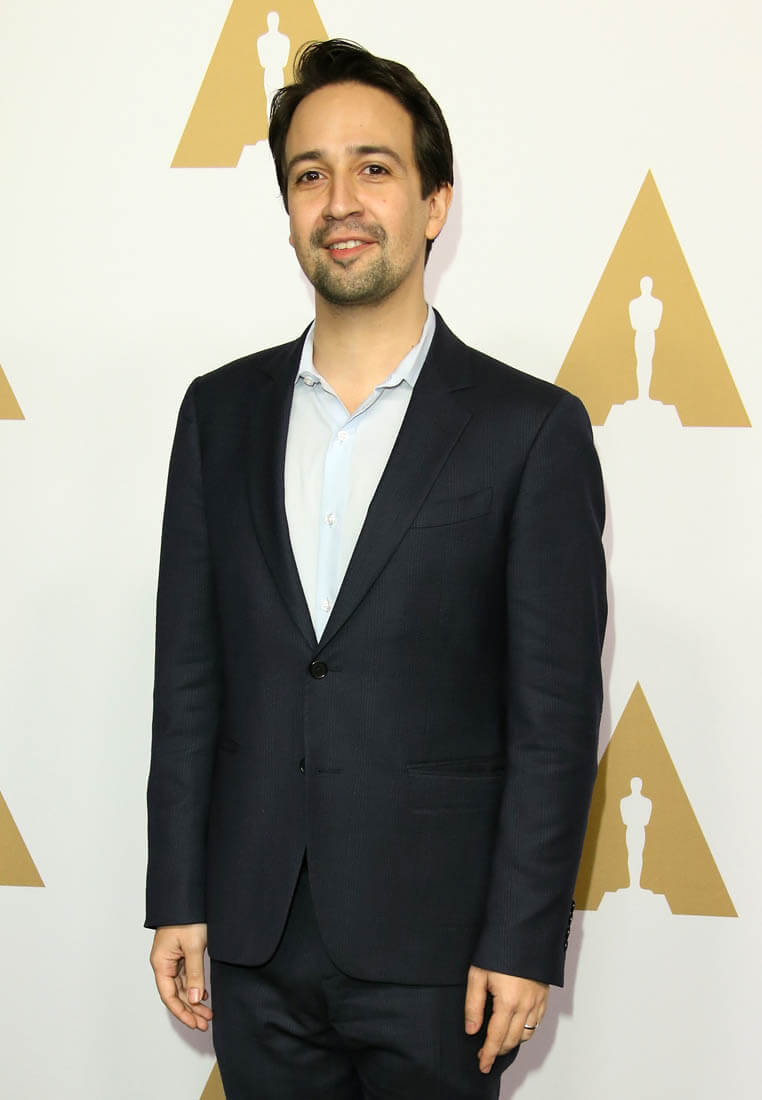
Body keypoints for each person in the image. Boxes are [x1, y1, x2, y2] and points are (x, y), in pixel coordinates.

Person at [146, 38, 607, 1100]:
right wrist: (178, 893)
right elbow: (189, 679)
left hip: (444, 953)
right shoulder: (218, 414)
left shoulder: (530, 429)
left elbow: (553, 714)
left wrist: (523, 935)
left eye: (374, 168)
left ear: (435, 203)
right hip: (255, 938)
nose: (340, 201)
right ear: (288, 211)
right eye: (310, 174)